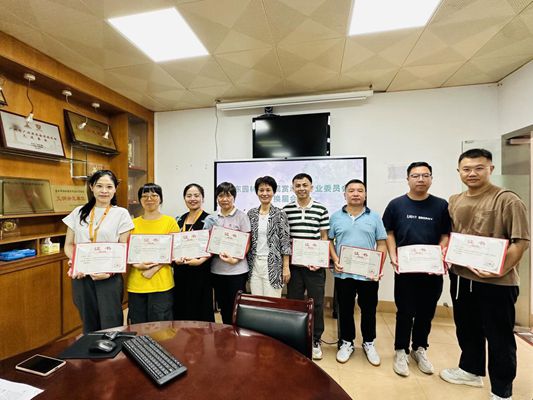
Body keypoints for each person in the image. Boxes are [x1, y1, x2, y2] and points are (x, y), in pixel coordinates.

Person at [440, 149, 529, 400]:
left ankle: (501, 390)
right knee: (467, 328)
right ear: (459, 172)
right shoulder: (455, 200)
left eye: (479, 168)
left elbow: (521, 242)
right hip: (461, 277)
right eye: (466, 169)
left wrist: (497, 269)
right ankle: (470, 370)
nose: (472, 173)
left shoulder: (507, 200)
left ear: (490, 169)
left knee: (499, 336)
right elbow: (451, 236)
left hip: (497, 282)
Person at [382, 161, 451, 377]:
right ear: (408, 179)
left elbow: (445, 235)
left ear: (431, 178)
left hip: (432, 270)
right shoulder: (396, 205)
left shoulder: (441, 205)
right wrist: (393, 256)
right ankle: (400, 350)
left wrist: (440, 254)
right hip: (405, 270)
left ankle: (419, 348)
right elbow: (389, 232)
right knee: (405, 311)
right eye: (415, 175)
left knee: (426, 312)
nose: (420, 179)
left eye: (425, 175)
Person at [63, 170, 134, 333]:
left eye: (109, 187)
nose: (104, 191)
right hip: (82, 276)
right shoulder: (78, 212)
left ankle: (113, 350)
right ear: (91, 187)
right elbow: (68, 245)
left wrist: (109, 272)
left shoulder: (121, 214)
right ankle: (92, 349)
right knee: (88, 321)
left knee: (111, 323)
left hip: (108, 277)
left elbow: (123, 248)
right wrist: (76, 262)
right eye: (99, 186)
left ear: (115, 189)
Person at [329, 179, 387, 366]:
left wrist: (378, 267)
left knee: (368, 309)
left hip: (368, 275)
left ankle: (369, 342)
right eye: (351, 190)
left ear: (365, 194)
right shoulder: (335, 217)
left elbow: (382, 243)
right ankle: (347, 342)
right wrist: (335, 259)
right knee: (345, 309)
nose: (355, 194)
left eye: (360, 190)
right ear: (344, 194)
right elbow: (329, 241)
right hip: (344, 273)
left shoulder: (375, 217)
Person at [283, 173, 329, 360]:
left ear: (311, 187)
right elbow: (286, 239)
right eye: (298, 185)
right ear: (293, 188)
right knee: (294, 302)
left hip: (315, 267)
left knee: (316, 303)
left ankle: (315, 339)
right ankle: (296, 336)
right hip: (294, 266)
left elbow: (324, 237)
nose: (301, 188)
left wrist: (320, 260)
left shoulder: (321, 209)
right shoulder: (286, 210)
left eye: (305, 185)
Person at [127, 183, 178, 324]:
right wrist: (137, 265)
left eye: (154, 195)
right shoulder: (132, 224)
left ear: (160, 199)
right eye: (145, 196)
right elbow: (126, 250)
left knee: (161, 326)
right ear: (140, 200)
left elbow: (174, 251)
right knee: (138, 325)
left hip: (162, 284)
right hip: (137, 284)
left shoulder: (170, 222)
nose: (149, 199)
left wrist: (153, 269)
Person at [203, 182, 251, 324]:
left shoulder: (242, 216)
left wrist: (235, 259)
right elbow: (205, 241)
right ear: (217, 198)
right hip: (217, 270)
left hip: (237, 270)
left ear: (234, 197)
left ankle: (237, 333)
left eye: (228, 196)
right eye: (221, 196)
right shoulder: (212, 218)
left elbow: (247, 242)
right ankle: (227, 333)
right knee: (223, 307)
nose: (224, 199)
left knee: (237, 308)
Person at [173, 183, 214, 322]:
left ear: (203, 198)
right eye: (189, 195)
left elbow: (213, 245)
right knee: (181, 307)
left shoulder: (210, 219)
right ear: (184, 198)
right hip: (181, 269)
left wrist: (200, 260)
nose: (192, 199)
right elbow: (174, 244)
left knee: (200, 309)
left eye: (196, 195)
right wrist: (175, 259)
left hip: (200, 270)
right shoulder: (178, 219)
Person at [247, 176, 291, 297]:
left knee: (272, 303)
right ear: (257, 192)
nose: (264, 193)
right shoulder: (251, 214)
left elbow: (285, 242)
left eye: (268, 190)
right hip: (254, 265)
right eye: (261, 190)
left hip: (273, 265)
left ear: (273, 192)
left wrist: (286, 267)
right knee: (256, 302)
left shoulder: (280, 214)